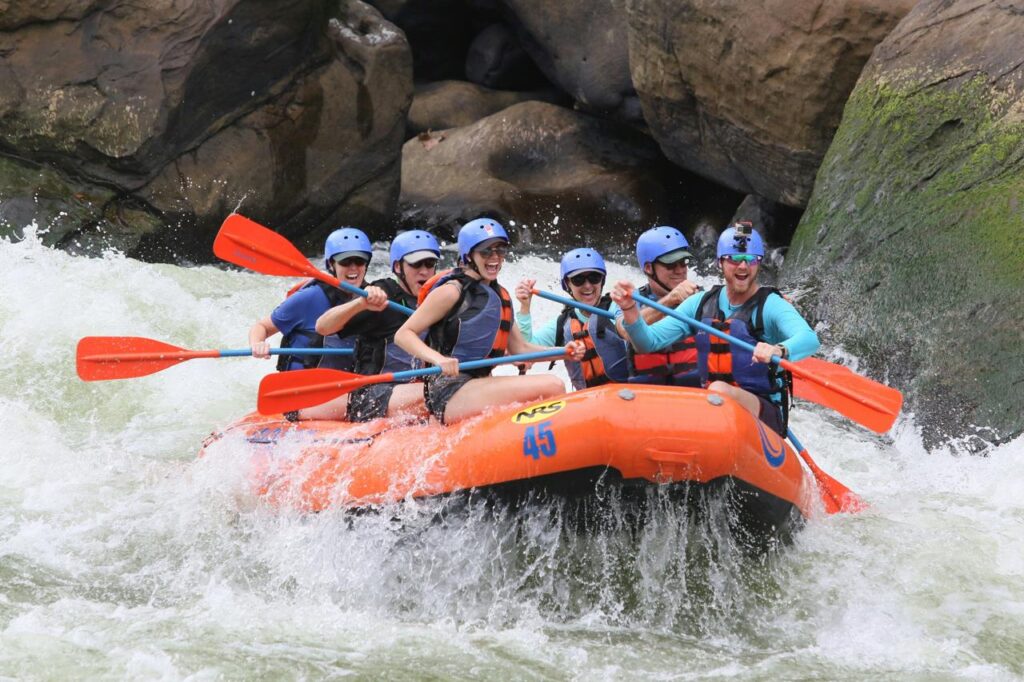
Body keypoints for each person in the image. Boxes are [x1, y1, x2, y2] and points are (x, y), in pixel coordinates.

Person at [611, 221, 820, 436]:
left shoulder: (771, 304)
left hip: (762, 412)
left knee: (719, 391)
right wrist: (630, 312)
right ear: (720, 263)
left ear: (758, 263)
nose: (743, 267)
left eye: (751, 260)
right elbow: (648, 343)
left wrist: (779, 349)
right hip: (712, 410)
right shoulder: (701, 303)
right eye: (734, 259)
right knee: (712, 396)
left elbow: (809, 339)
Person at [394, 218, 585, 425]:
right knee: (553, 385)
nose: (495, 257)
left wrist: (563, 351)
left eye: (500, 250)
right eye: (486, 251)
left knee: (549, 386)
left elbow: (520, 348)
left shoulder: (501, 296)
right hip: (449, 390)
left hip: (479, 384)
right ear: (469, 255)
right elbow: (403, 334)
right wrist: (438, 359)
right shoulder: (451, 291)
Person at [290, 230, 442, 422]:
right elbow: (323, 327)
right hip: (373, 392)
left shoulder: (437, 297)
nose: (424, 271)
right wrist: (360, 303)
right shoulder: (383, 295)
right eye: (416, 264)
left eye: (430, 264)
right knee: (440, 392)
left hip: (414, 386)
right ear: (397, 266)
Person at [249, 227, 372, 371]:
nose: (353, 268)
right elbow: (261, 327)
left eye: (359, 261)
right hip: (303, 381)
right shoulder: (310, 297)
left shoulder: (373, 297)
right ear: (331, 265)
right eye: (345, 262)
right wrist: (257, 344)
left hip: (348, 383)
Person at [515, 248, 629, 390]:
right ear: (567, 285)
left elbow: (630, 328)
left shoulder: (617, 308)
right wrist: (525, 307)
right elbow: (524, 351)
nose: (587, 285)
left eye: (594, 278)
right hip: (587, 400)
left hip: (626, 393)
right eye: (578, 280)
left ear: (602, 281)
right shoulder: (563, 323)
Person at [616, 225, 703, 386]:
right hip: (648, 394)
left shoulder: (703, 298)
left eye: (683, 263)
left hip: (695, 392)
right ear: (649, 268)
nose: (680, 270)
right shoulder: (627, 300)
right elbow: (625, 330)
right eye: (671, 265)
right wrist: (671, 299)